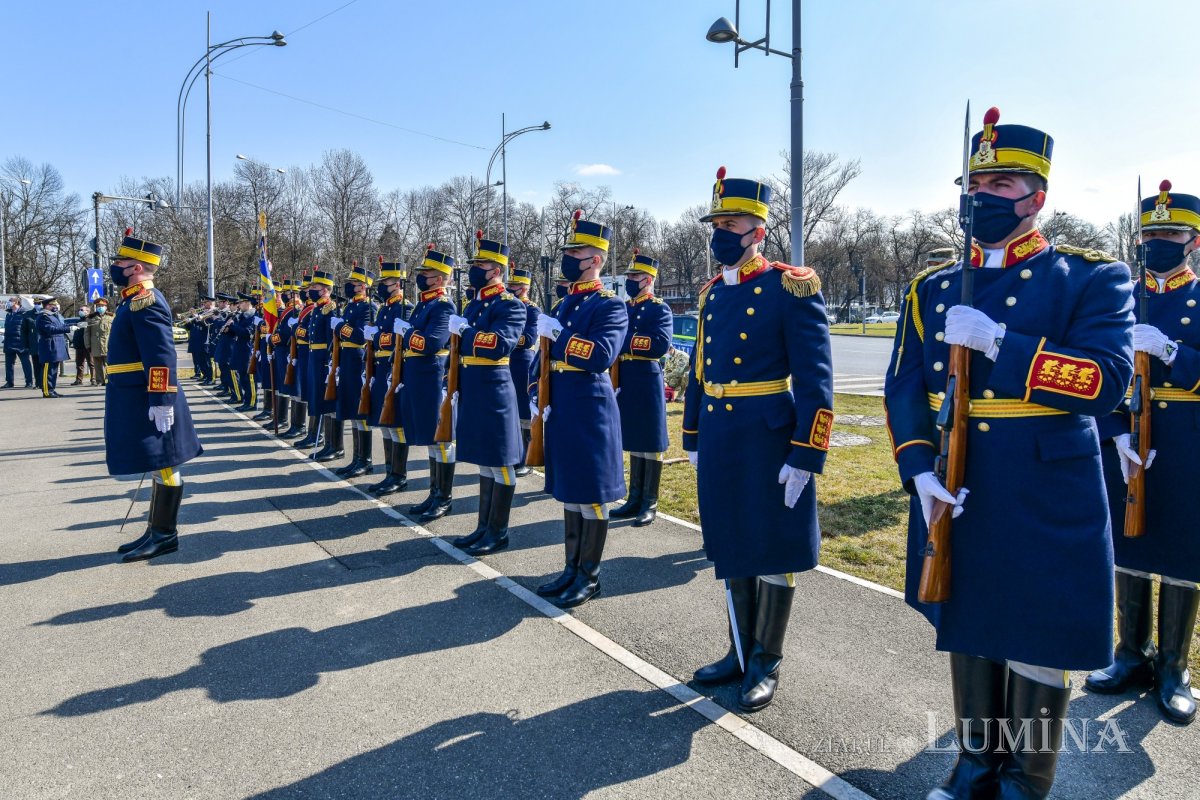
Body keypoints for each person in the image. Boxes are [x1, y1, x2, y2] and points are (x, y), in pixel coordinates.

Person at [883, 109, 1134, 799]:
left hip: (1045, 484)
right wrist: (917, 469)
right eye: (976, 181)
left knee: (1035, 634)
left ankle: (1025, 781)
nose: (983, 195)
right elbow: (902, 387)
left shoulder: (1089, 277)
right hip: (959, 480)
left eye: (1002, 182)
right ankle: (974, 766)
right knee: (970, 622)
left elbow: (1108, 381)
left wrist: (1002, 344)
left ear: (1037, 197)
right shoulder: (930, 287)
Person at [681, 169, 832, 713]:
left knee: (771, 546)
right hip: (721, 434)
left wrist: (807, 452)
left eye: (733, 221)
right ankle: (739, 651)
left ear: (758, 231)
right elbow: (700, 371)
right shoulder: (713, 294)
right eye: (717, 221)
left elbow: (816, 379)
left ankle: (766, 662)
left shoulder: (790, 286)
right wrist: (693, 433)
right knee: (732, 543)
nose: (722, 231)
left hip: (769, 437)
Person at [1085, 180, 1200, 726]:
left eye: (1170, 233)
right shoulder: (1121, 297)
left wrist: (1174, 352)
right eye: (1149, 232)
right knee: (1128, 543)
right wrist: (1116, 431)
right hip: (1126, 435)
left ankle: (1174, 667)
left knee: (1180, 550)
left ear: (1193, 241)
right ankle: (1130, 654)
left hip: (1188, 441)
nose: (1157, 242)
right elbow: (1096, 375)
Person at [530, 212, 629, 608]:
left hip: (590, 406)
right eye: (568, 251)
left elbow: (601, 355)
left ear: (597, 261)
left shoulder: (610, 305)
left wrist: (561, 334)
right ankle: (571, 568)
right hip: (563, 404)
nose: (569, 257)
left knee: (592, 494)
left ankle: (590, 576)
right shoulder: (566, 302)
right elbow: (547, 356)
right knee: (570, 491)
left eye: (578, 252)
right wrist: (537, 387)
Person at [106, 229, 203, 562]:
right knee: (157, 462)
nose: (115, 265)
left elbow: (161, 356)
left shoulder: (146, 300)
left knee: (164, 462)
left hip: (147, 397)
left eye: (120, 261)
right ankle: (155, 530)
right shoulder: (133, 298)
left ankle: (165, 535)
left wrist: (161, 401)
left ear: (136, 267)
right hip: (133, 395)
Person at [446, 233, 525, 555]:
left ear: (496, 270)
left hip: (494, 389)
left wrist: (466, 332)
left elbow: (498, 345)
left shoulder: (510, 305)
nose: (475, 268)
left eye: (481, 264)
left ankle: (498, 531)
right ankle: (482, 527)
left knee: (501, 460)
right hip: (474, 388)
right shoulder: (476, 303)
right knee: (484, 461)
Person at [611, 249, 673, 527]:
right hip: (625, 375)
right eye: (629, 275)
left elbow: (659, 344)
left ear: (648, 279)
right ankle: (634, 498)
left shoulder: (659, 308)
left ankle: (650, 501)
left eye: (635, 275)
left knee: (650, 440)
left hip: (646, 376)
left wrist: (624, 341)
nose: (630, 279)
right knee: (635, 438)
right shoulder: (625, 307)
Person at [401, 245, 456, 522]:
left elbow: (433, 341)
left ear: (439, 278)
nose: (420, 276)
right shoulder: (424, 304)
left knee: (441, 438)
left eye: (426, 272)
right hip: (418, 375)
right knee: (430, 439)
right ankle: (434, 492)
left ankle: (444, 498)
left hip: (432, 376)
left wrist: (408, 332)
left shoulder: (444, 305)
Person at [365, 261, 410, 495]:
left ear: (397, 284)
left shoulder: (405, 307)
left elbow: (400, 340)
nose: (382, 286)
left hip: (395, 368)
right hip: (381, 368)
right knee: (385, 423)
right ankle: (389, 472)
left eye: (386, 282)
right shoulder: (384, 308)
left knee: (396, 423)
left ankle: (399, 475)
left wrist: (378, 337)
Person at [328, 263, 376, 477]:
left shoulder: (368, 307)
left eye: (354, 283)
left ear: (364, 286)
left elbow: (359, 335)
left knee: (361, 409)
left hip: (358, 359)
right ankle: (356, 458)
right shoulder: (350, 306)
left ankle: (365, 460)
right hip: (346, 358)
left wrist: (339, 327)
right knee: (352, 410)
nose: (350, 286)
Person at [305, 269, 342, 461]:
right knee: (319, 398)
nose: (311, 289)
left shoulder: (330, 308)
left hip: (323, 359)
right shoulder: (317, 308)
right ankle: (328, 444)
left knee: (328, 400)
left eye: (315, 287)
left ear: (325, 290)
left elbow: (332, 340)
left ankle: (335, 445)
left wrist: (331, 362)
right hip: (314, 358)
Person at [506, 265, 539, 477]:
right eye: (509, 285)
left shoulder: (532, 309)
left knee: (524, 411)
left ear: (524, 287)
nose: (511, 289)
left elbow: (528, 339)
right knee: (512, 410)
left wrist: (505, 338)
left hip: (522, 362)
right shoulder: (507, 306)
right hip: (507, 361)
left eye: (515, 286)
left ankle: (527, 457)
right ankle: (513, 453)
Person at [269, 279, 300, 433]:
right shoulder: (288, 310)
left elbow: (285, 335)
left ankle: (294, 424)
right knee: (283, 386)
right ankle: (281, 419)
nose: (287, 296)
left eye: (289, 293)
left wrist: (271, 339)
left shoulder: (296, 310)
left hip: (288, 352)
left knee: (292, 388)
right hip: (281, 352)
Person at [36, 297, 71, 398]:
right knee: (48, 370)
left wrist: (75, 325)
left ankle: (52, 389)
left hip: (55, 346)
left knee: (54, 370)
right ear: (47, 306)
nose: (55, 307)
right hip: (49, 346)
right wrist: (68, 329)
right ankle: (47, 391)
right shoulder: (43, 317)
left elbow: (60, 326)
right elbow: (51, 329)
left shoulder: (53, 316)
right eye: (53, 305)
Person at [229, 293, 258, 412]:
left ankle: (252, 403)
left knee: (249, 378)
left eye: (241, 303)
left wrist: (233, 326)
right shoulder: (241, 316)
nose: (239, 305)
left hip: (247, 350)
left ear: (247, 303)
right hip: (240, 350)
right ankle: (246, 400)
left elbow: (247, 333)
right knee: (242, 377)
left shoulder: (253, 317)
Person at [3, 296, 33, 388]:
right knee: (9, 364)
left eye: (10, 301)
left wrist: (28, 341)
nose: (9, 302)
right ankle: (9, 382)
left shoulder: (24, 314)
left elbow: (29, 329)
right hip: (9, 342)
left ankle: (29, 382)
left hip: (21, 343)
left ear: (16, 302)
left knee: (25, 363)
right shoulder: (9, 314)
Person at [186, 296, 215, 384]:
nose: (203, 305)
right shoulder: (204, 312)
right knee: (201, 359)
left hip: (208, 339)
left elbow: (209, 325)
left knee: (207, 360)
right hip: (200, 339)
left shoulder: (214, 312)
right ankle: (206, 376)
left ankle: (210, 378)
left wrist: (198, 318)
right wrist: (190, 320)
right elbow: (197, 324)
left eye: (205, 303)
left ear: (210, 303)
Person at [213, 293, 237, 398]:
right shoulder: (229, 315)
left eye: (231, 305)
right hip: (223, 346)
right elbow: (223, 328)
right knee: (224, 369)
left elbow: (225, 328)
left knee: (230, 372)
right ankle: (227, 389)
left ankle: (235, 393)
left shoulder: (234, 315)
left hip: (230, 347)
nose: (230, 307)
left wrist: (217, 319)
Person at [86, 297, 113, 385]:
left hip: (107, 344)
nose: (100, 307)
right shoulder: (91, 318)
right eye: (98, 306)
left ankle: (110, 380)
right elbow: (86, 333)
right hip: (95, 345)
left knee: (108, 364)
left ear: (106, 307)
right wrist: (88, 345)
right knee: (97, 365)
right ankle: (100, 381)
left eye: (102, 306)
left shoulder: (111, 317)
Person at [21, 298, 42, 388]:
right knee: (36, 365)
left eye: (39, 303)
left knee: (46, 365)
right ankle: (38, 383)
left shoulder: (48, 313)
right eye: (35, 303)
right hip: (34, 343)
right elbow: (24, 331)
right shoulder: (28, 314)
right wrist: (25, 344)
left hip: (46, 343)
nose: (37, 304)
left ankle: (45, 383)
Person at [71, 304, 93, 385]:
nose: (80, 311)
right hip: (79, 345)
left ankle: (93, 379)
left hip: (88, 345)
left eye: (82, 310)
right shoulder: (78, 320)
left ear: (87, 311)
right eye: (79, 310)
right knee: (79, 364)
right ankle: (79, 380)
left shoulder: (90, 320)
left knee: (91, 363)